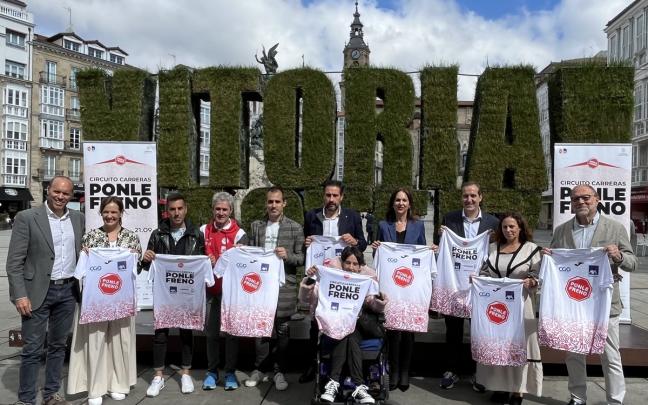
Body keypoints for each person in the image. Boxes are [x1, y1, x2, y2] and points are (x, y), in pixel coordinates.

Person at [549, 185, 636, 405]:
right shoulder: (561, 231)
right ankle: (577, 398)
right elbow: (554, 261)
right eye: (575, 199)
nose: (580, 202)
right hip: (573, 304)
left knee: (610, 356)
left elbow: (632, 263)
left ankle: (615, 401)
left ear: (597, 199)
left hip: (604, 304)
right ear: (571, 203)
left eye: (586, 197)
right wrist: (548, 257)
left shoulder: (615, 228)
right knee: (573, 353)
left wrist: (618, 256)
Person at [6, 176, 85, 405]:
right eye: (56, 191)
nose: (60, 196)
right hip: (36, 292)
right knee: (32, 349)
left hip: (68, 291)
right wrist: (20, 294)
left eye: (66, 193)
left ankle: (51, 394)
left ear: (71, 196)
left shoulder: (78, 219)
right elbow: (14, 262)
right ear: (48, 190)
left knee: (58, 346)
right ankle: (27, 398)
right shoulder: (27, 217)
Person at [67, 197, 142, 405]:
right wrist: (84, 254)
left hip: (121, 300)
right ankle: (96, 388)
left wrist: (135, 257)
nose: (109, 216)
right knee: (95, 342)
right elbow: (80, 271)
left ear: (121, 213)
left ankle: (118, 383)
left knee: (121, 341)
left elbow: (136, 270)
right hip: (96, 300)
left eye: (114, 212)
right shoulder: (90, 237)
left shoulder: (131, 238)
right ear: (101, 213)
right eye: (106, 212)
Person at [300, 246, 387, 404]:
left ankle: (334, 383)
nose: (351, 267)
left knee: (348, 329)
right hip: (333, 324)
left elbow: (372, 303)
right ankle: (358, 386)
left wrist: (379, 300)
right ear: (342, 263)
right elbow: (306, 299)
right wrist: (310, 279)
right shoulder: (330, 277)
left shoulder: (365, 279)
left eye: (355, 264)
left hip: (359, 325)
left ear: (360, 266)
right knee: (345, 330)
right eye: (348, 263)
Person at [300, 180, 368, 383]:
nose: (331, 199)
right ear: (323, 196)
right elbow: (304, 245)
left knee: (342, 318)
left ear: (341, 197)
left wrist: (355, 242)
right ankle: (312, 365)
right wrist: (306, 243)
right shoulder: (312, 216)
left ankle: (339, 367)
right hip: (319, 276)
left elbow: (362, 245)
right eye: (328, 195)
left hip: (342, 279)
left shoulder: (352, 217)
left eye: (335, 195)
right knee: (315, 321)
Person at [141, 192, 205, 397]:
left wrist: (209, 261)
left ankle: (185, 373)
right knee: (160, 333)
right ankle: (158, 376)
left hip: (187, 292)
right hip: (164, 293)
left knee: (186, 332)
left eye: (180, 208)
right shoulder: (157, 234)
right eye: (172, 209)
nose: (176, 213)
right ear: (166, 211)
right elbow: (145, 266)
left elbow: (202, 263)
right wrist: (146, 258)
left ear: (186, 209)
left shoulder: (196, 234)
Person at [476, 212, 542, 405]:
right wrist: (478, 279)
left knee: (519, 347)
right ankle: (500, 388)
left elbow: (538, 275)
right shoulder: (492, 248)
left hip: (521, 305)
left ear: (520, 228)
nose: (508, 230)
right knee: (498, 346)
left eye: (512, 226)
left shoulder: (532, 249)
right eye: (504, 227)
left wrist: (532, 281)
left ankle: (517, 391)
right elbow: (484, 272)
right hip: (496, 307)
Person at [439, 181, 499, 391]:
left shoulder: (493, 222)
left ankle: (479, 374)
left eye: (473, 195)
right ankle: (451, 371)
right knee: (453, 331)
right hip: (455, 284)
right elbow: (445, 249)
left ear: (480, 197)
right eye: (465, 196)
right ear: (461, 198)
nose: (469, 199)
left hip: (480, 286)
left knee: (480, 331)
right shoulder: (450, 219)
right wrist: (442, 238)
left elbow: (498, 251)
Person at [245, 186, 304, 391]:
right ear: (266, 203)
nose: (273, 205)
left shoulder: (295, 227)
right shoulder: (256, 226)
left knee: (282, 331)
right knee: (260, 329)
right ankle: (260, 369)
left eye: (277, 201)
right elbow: (250, 254)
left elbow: (301, 259)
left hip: (284, 287)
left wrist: (288, 256)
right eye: (270, 201)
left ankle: (280, 372)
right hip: (260, 287)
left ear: (284, 203)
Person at [371, 188, 426, 391]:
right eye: (397, 200)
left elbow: (422, 253)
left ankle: (405, 372)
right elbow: (378, 257)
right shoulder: (383, 225)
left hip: (411, 285)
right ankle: (393, 371)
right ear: (393, 204)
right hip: (391, 285)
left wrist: (431, 251)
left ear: (409, 204)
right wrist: (376, 248)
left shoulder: (418, 226)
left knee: (408, 331)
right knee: (393, 330)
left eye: (404, 200)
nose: (401, 203)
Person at [200, 192, 248, 391]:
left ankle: (230, 373)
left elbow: (246, 263)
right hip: (210, 290)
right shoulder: (203, 230)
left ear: (231, 211)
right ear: (213, 210)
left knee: (231, 334)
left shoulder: (240, 233)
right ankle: (212, 372)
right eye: (217, 209)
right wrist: (206, 260)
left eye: (224, 209)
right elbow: (195, 255)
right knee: (211, 334)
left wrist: (241, 252)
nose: (220, 213)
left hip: (231, 293)